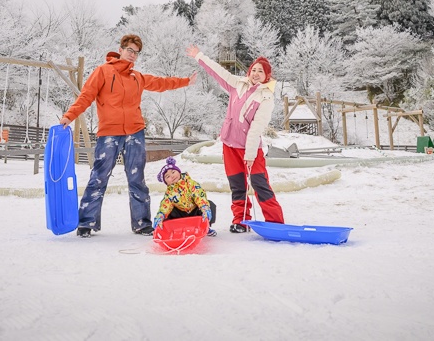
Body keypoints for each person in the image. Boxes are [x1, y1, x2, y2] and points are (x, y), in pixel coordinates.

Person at [60, 34, 197, 238]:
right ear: (121, 49)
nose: (133, 55)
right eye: (130, 50)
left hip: (135, 132)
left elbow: (161, 83)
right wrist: (68, 117)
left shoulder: (137, 77)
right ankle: (87, 222)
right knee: (99, 177)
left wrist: (185, 81)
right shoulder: (103, 72)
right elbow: (86, 96)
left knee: (137, 178)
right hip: (109, 133)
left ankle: (142, 223)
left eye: (137, 52)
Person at [186, 45, 284, 232]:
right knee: (238, 185)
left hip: (251, 150)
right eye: (253, 69)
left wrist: (249, 154)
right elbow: (217, 71)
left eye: (260, 71)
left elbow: (256, 128)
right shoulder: (236, 84)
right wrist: (199, 55)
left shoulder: (266, 97)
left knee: (259, 184)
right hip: (229, 146)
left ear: (267, 76)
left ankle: (276, 223)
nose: (256, 73)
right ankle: (240, 221)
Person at [153, 157, 217, 237]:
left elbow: (199, 195)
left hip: (194, 212)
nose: (172, 176)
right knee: (168, 212)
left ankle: (205, 226)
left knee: (210, 205)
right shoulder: (169, 193)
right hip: (181, 215)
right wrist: (161, 215)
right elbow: (165, 205)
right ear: (166, 182)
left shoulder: (190, 183)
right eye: (167, 176)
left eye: (173, 172)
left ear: (179, 172)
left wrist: (204, 207)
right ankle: (167, 230)